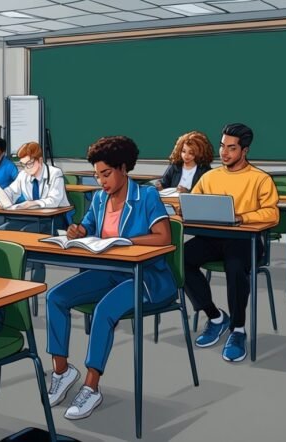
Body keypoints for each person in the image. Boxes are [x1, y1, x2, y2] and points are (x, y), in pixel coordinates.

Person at [44, 136, 175, 420]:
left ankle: (91, 387)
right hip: (109, 272)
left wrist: (122, 240)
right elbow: (89, 227)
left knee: (104, 310)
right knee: (56, 297)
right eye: (96, 175)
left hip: (146, 277)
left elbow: (164, 237)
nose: (101, 181)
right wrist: (78, 231)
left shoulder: (146, 196)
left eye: (106, 174)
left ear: (123, 168)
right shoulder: (100, 198)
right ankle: (62, 372)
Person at [184, 123, 279, 362]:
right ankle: (216, 317)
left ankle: (238, 329)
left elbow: (272, 214)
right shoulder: (209, 177)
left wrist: (242, 217)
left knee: (235, 268)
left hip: (244, 241)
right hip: (212, 239)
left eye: (232, 148)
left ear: (244, 151)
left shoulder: (260, 179)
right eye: (222, 146)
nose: (224, 153)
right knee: (179, 259)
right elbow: (192, 202)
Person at [0, 141, 72, 282]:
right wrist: (2, 195)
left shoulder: (55, 173)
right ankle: (8, 272)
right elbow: (11, 191)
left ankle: (31, 277)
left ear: (40, 160)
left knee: (26, 233)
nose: (26, 168)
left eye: (29, 164)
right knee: (3, 230)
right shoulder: (23, 175)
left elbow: (54, 201)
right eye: (23, 164)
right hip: (32, 218)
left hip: (54, 221)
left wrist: (33, 204)